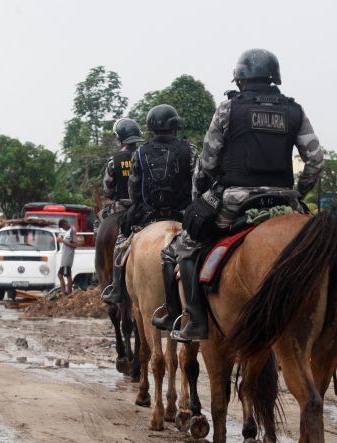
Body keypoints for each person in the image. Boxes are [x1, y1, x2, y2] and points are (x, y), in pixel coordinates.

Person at [166, 48, 325, 343]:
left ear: (240, 79)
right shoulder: (294, 111)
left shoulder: (228, 109)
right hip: (285, 203)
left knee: (186, 247)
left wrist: (203, 193)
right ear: (274, 77)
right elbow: (315, 161)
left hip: (236, 202)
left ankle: (197, 322)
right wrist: (297, 193)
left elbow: (209, 161)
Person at [101, 104, 200, 305]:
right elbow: (198, 184)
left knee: (121, 241)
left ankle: (117, 288)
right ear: (174, 127)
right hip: (182, 214)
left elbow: (133, 189)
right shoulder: (190, 150)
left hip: (148, 214)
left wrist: (138, 206)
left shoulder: (140, 152)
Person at [99, 118, 144, 221]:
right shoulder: (146, 156)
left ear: (120, 138)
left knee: (99, 220)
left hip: (122, 206)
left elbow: (108, 190)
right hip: (145, 205)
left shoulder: (114, 160)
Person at [56, 218, 77, 294]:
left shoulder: (72, 231)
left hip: (67, 258)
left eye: (63, 227)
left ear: (65, 224)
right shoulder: (68, 231)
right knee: (60, 275)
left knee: (67, 275)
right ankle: (64, 293)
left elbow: (75, 245)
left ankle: (68, 293)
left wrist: (62, 241)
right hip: (64, 258)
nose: (63, 229)